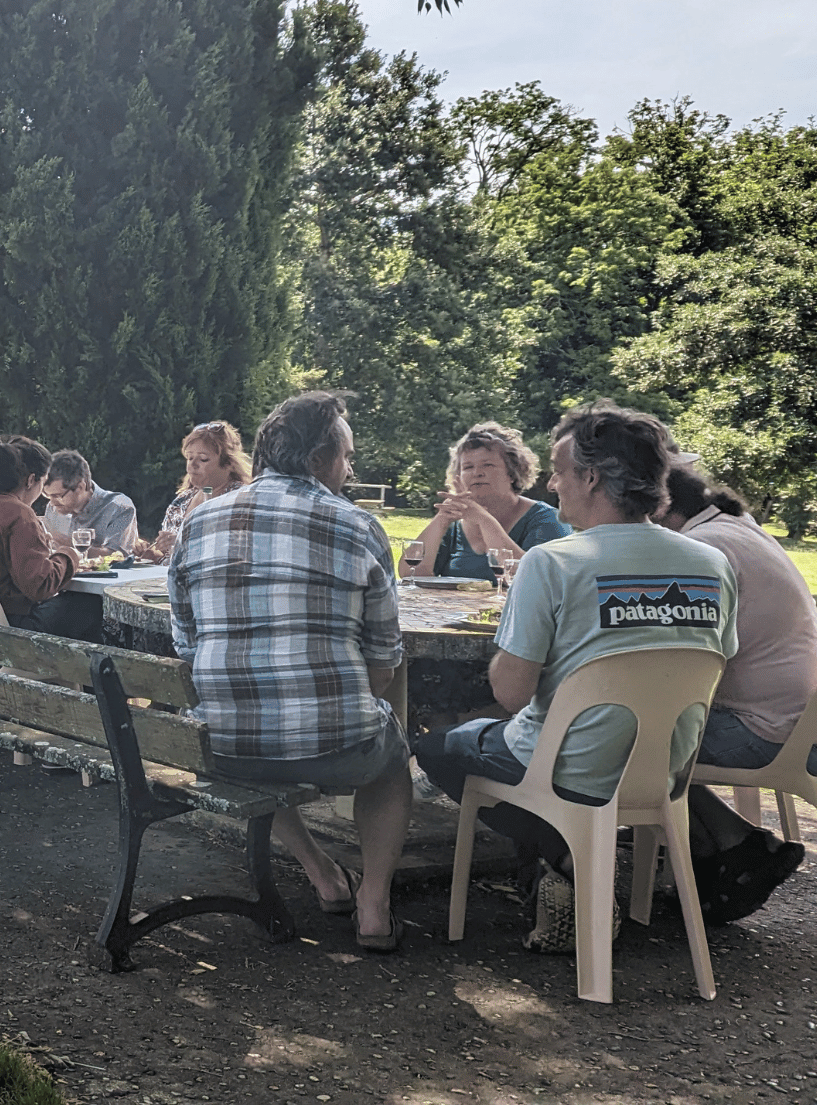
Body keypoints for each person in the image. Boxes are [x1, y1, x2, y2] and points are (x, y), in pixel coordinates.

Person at [414, 401, 740, 952]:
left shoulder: (552, 562)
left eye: (560, 471)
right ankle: (575, 865)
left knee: (438, 747)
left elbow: (512, 694)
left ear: (591, 477)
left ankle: (568, 858)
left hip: (566, 768)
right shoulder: (712, 564)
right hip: (664, 768)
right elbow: (715, 672)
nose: (552, 483)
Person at [169, 392, 412, 952]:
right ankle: (373, 904)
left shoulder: (198, 523)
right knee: (392, 760)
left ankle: (321, 870)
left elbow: (186, 643)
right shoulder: (359, 526)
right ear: (322, 455)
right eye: (347, 456)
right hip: (337, 743)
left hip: (221, 744)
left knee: (259, 748)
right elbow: (383, 660)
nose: (350, 469)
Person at [657, 465, 813, 922]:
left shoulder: (704, 548)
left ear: (661, 509)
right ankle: (724, 850)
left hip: (764, 728)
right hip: (799, 716)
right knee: (644, 732)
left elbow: (681, 659)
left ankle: (731, 847)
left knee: (619, 737)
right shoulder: (738, 528)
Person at [0, 435, 101, 640]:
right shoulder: (18, 514)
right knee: (90, 604)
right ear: (31, 480)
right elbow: (39, 586)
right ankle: (79, 670)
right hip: (7, 627)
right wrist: (69, 555)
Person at [402, 422, 570, 582]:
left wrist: (484, 520)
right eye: (468, 467)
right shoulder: (453, 526)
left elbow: (537, 579)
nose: (477, 473)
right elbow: (410, 575)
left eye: (487, 465)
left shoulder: (547, 519)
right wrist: (441, 521)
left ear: (512, 473)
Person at [137, 421, 251, 563]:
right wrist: (155, 556)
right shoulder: (182, 501)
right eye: (190, 457)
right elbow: (172, 561)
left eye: (203, 459)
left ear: (228, 464)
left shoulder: (241, 498)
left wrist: (183, 543)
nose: (193, 464)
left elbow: (239, 552)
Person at [41, 449, 138, 558]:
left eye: (58, 496)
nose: (52, 503)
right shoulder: (53, 508)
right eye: (47, 495)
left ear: (80, 487)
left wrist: (64, 542)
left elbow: (117, 557)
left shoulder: (119, 507)